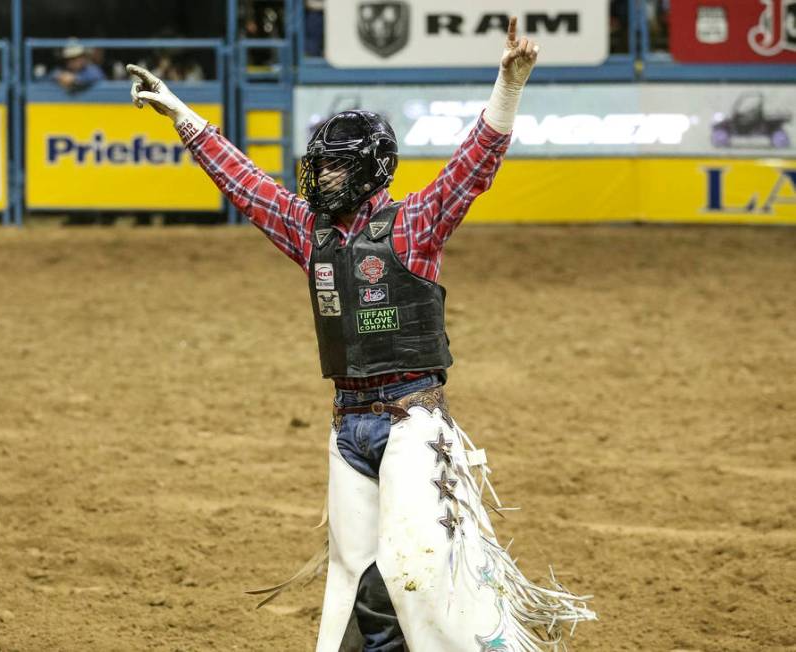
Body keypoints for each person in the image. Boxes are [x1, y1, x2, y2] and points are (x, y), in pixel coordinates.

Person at [128, 17, 596, 651]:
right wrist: (182, 114)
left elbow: (473, 166)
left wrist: (508, 83)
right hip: (348, 423)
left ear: (369, 172)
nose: (317, 181)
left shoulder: (414, 225)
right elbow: (245, 183)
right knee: (355, 576)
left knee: (408, 571)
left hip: (412, 423)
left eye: (331, 171)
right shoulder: (310, 231)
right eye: (316, 169)